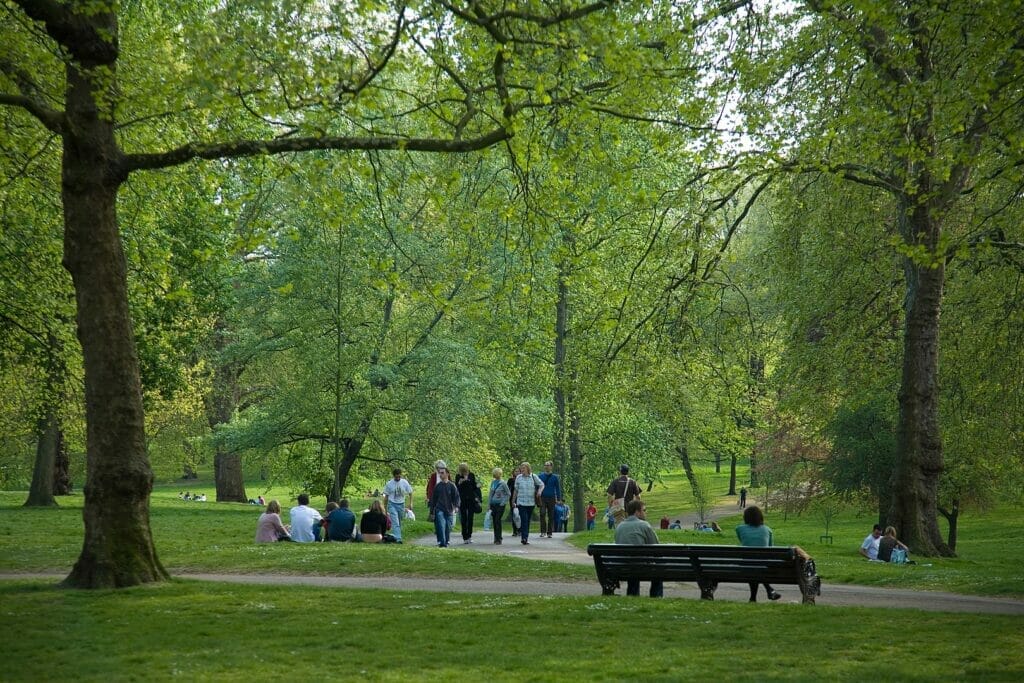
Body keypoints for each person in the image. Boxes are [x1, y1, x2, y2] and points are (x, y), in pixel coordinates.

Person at [614, 499, 663, 598]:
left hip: (622, 567)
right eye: (644, 510)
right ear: (637, 512)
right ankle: (656, 597)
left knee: (633, 565)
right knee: (658, 570)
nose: (646, 513)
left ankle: (632, 596)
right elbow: (656, 547)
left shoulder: (619, 526)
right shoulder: (644, 525)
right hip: (641, 566)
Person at [735, 505, 782, 602]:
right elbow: (770, 549)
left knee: (753, 567)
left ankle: (754, 597)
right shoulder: (767, 530)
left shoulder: (739, 529)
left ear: (746, 517)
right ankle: (769, 589)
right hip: (763, 566)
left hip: (746, 566)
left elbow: (743, 541)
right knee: (758, 567)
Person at [512, 461, 544, 545]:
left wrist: (539, 492)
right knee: (524, 520)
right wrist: (513, 500)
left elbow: (542, 484)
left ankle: (525, 537)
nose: (522, 469)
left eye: (523, 468)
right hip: (521, 502)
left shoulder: (533, 476)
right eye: (521, 468)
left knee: (527, 520)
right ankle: (524, 538)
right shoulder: (518, 477)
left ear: (528, 468)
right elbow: (515, 490)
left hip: (531, 503)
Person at [430, 466, 460, 547]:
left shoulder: (452, 486)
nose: (440, 474)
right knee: (441, 525)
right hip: (439, 509)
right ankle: (442, 543)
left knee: (447, 527)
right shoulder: (438, 486)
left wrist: (456, 506)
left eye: (442, 473)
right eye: (440, 473)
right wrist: (432, 512)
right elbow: (433, 499)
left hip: (449, 509)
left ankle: (446, 541)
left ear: (447, 474)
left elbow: (456, 497)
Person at [382, 467, 413, 544]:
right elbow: (386, 496)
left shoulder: (404, 482)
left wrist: (411, 503)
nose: (398, 478)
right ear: (393, 476)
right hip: (392, 504)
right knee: (395, 522)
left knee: (399, 521)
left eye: (399, 476)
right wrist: (385, 508)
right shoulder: (389, 484)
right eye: (396, 477)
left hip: (401, 504)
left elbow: (410, 493)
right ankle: (398, 539)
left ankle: (396, 535)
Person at [454, 462, 481, 543]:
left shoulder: (471, 475)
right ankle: (464, 536)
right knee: (463, 518)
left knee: (470, 518)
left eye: (465, 470)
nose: (464, 472)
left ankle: (469, 535)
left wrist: (477, 486)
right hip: (462, 499)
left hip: (471, 499)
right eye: (463, 471)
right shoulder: (458, 476)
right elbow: (456, 488)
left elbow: (473, 487)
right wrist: (460, 482)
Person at [538, 461, 563, 538]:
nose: (546, 466)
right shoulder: (540, 476)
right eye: (545, 465)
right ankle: (543, 531)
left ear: (551, 467)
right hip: (542, 497)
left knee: (551, 515)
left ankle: (549, 532)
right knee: (542, 513)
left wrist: (559, 499)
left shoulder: (555, 477)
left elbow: (557, 488)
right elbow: (537, 486)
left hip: (551, 498)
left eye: (548, 465)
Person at [488, 467, 510, 545]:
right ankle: (496, 537)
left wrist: (503, 503)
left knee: (498, 520)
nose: (495, 475)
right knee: (494, 521)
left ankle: (499, 538)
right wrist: (489, 504)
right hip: (493, 504)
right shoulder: (493, 482)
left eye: (496, 474)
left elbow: (508, 494)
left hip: (500, 505)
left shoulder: (503, 483)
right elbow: (491, 494)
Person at [506, 466, 521, 536]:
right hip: (513, 499)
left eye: (518, 471)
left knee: (520, 515)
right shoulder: (510, 480)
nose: (517, 472)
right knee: (514, 515)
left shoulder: (522, 479)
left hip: (521, 499)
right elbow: (507, 489)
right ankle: (515, 531)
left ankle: (520, 530)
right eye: (516, 471)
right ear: (513, 472)